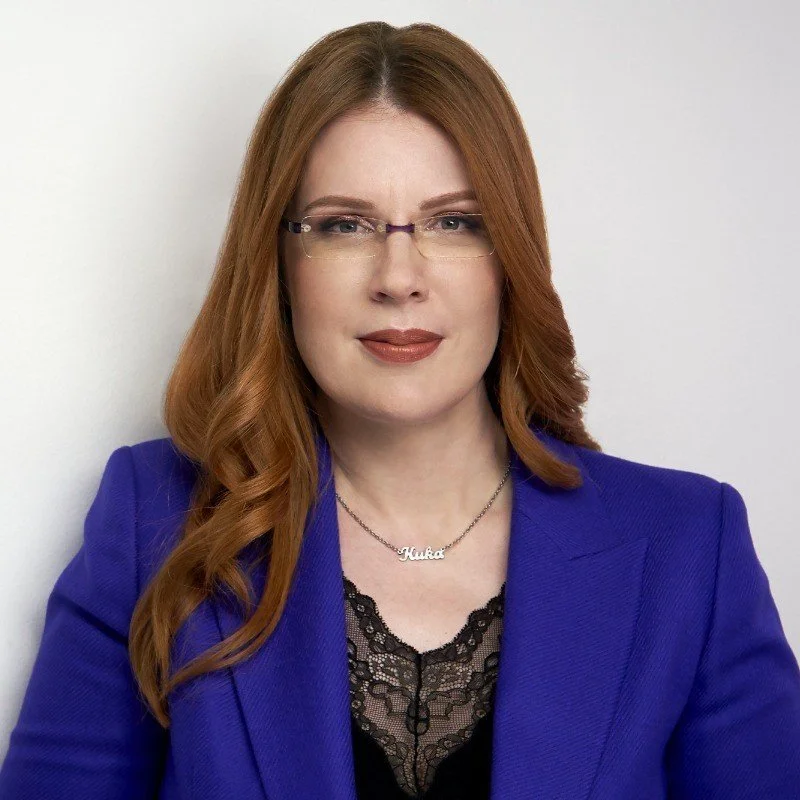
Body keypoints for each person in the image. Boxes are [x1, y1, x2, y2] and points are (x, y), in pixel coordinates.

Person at [1, 19, 799, 800]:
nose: (399, 276)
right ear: (277, 261)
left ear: (510, 256)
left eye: (455, 222)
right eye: (344, 225)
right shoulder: (155, 521)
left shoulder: (689, 544)